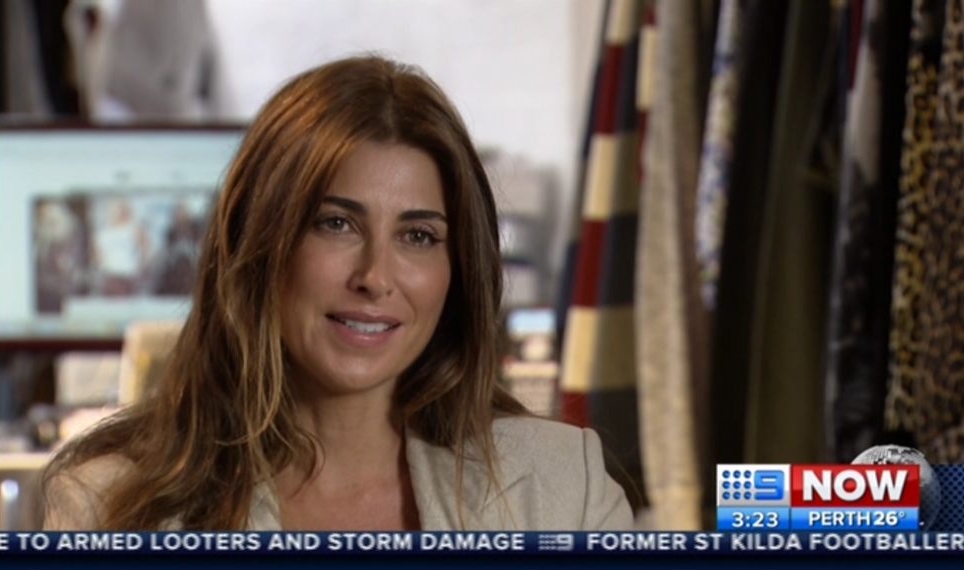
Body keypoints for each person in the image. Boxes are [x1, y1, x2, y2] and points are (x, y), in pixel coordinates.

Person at [41, 55, 634, 531]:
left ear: (459, 271)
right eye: (336, 224)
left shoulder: (563, 488)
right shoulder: (107, 505)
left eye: (419, 236)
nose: (376, 276)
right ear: (259, 242)